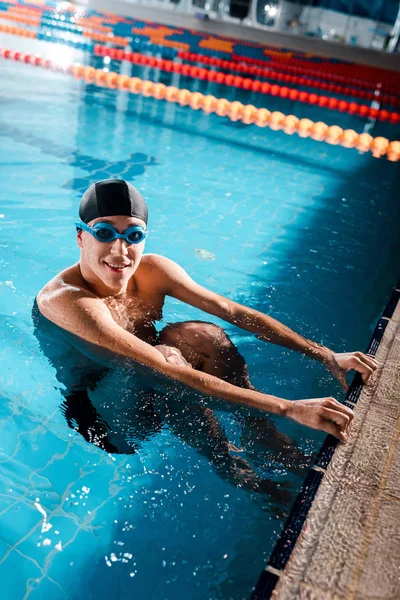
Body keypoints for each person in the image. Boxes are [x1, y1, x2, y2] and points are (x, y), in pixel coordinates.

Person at [35, 179, 377, 456]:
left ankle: (257, 430)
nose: (120, 251)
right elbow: (162, 368)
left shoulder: (153, 271)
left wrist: (325, 354)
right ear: (81, 236)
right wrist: (287, 407)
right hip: (106, 417)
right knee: (166, 358)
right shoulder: (71, 300)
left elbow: (231, 311)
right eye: (105, 233)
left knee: (201, 335)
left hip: (159, 374)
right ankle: (228, 465)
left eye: (133, 235)